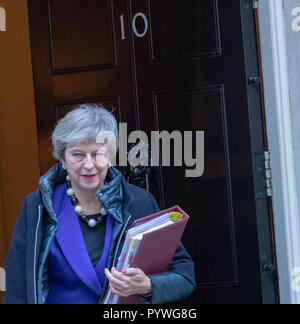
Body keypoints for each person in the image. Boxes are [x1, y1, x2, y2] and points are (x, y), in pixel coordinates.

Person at [3, 104, 195, 304]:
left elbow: (184, 274)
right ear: (62, 158)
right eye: (78, 154)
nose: (88, 164)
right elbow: (17, 286)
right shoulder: (38, 206)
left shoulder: (138, 202)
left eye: (98, 154)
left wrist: (147, 286)